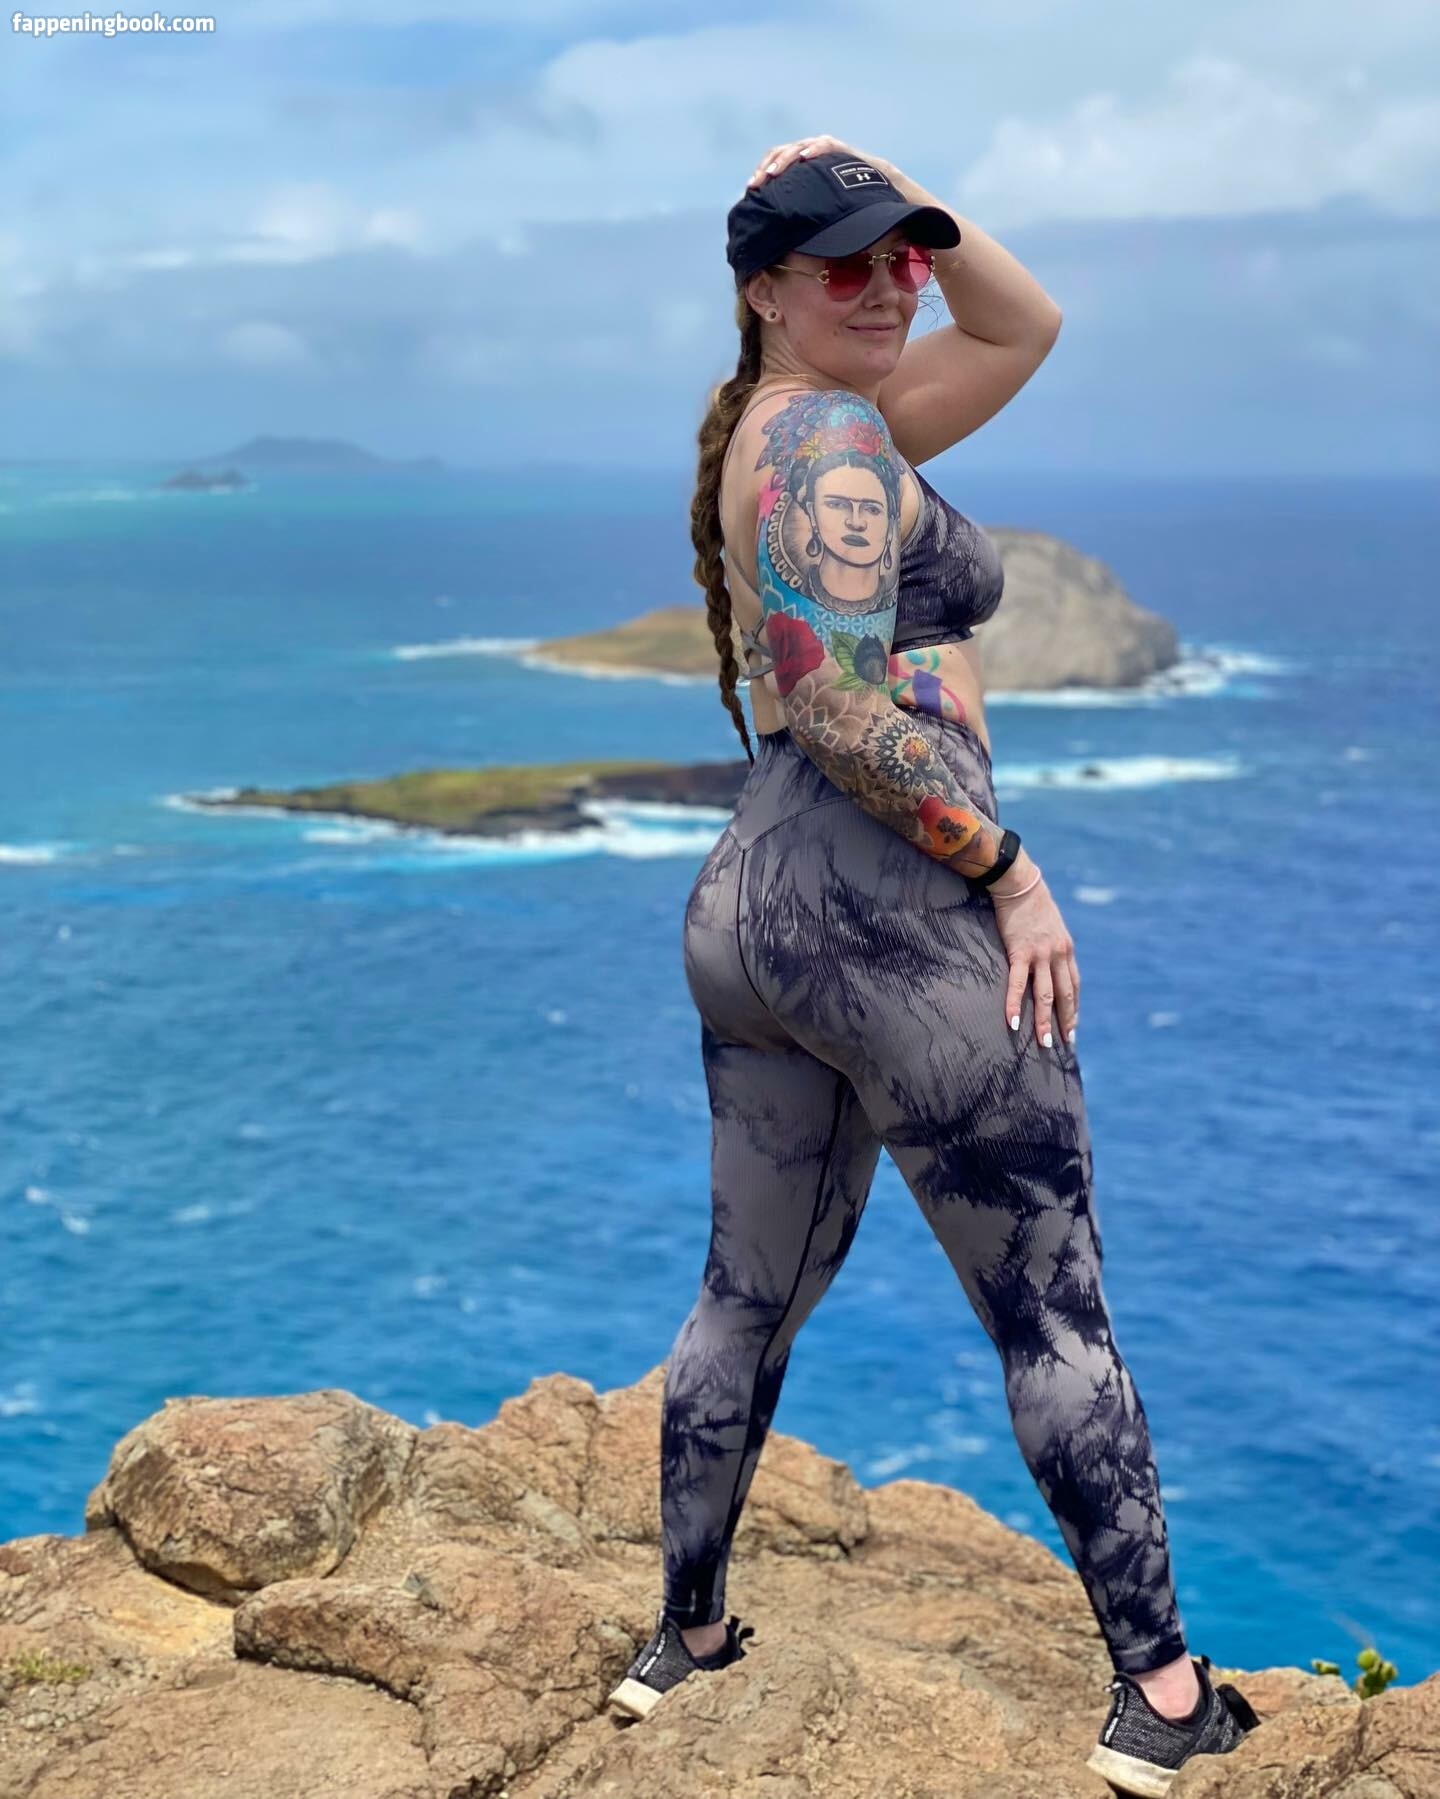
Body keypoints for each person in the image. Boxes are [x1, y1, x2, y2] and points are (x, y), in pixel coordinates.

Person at [606, 138, 1260, 1794]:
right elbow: (837, 700)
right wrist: (1009, 871)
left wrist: (900, 194)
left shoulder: (804, 419)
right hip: (889, 912)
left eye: (905, 255)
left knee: (745, 1295)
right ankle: (1163, 1697)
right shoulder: (833, 435)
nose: (894, 284)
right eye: (849, 262)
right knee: (1052, 1309)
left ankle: (683, 1639)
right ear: (765, 288)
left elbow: (1024, 323)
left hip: (751, 915)